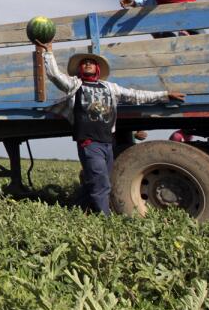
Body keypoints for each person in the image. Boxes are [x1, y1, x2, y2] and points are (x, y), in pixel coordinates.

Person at [36, 41, 185, 214]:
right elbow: (54, 75)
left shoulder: (110, 87)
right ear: (79, 70)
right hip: (89, 143)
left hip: (107, 142)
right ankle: (104, 218)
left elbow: (136, 96)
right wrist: (48, 52)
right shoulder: (75, 85)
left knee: (97, 180)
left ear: (97, 68)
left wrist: (164, 95)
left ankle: (78, 209)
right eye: (84, 63)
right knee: (101, 182)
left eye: (91, 62)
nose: (87, 64)